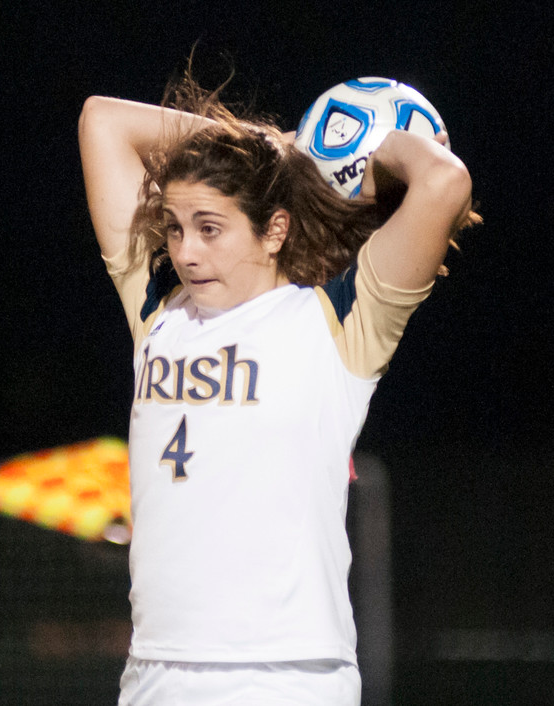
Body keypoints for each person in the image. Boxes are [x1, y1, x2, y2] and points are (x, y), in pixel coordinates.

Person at [78, 69, 477, 705]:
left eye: (210, 228)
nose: (184, 251)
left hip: (287, 674)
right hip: (156, 671)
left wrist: (366, 147)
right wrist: (285, 149)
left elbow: (444, 179)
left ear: (275, 230)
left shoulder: (340, 323)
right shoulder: (155, 311)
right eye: (174, 227)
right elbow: (102, 118)